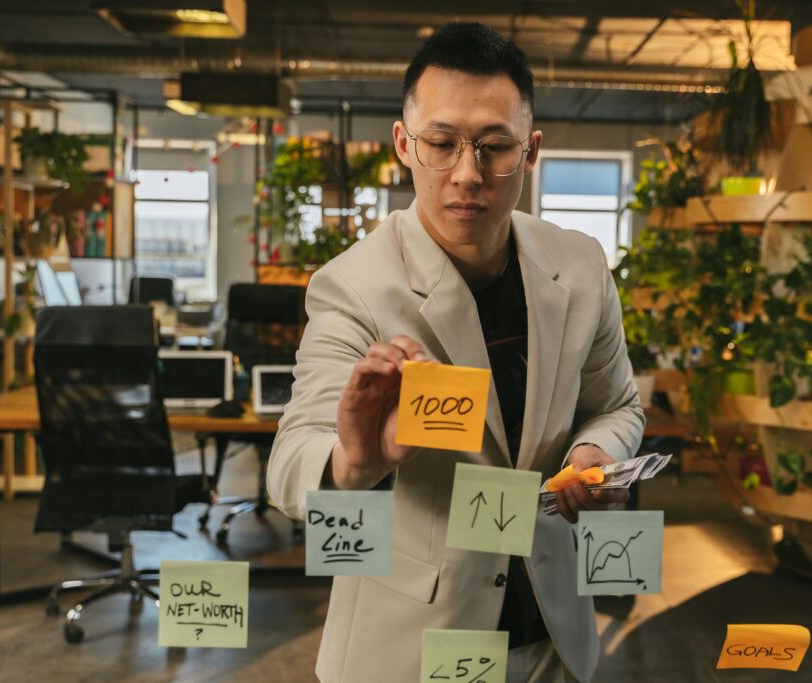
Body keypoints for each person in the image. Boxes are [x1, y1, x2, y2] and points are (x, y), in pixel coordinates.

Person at [267, 22, 644, 683]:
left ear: (530, 152)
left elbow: (616, 405)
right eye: (441, 144)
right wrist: (354, 461)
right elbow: (291, 459)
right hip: (412, 652)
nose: (467, 174)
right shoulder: (354, 283)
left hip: (554, 637)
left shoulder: (581, 266)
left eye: (494, 147)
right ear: (404, 145)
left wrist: (594, 454)